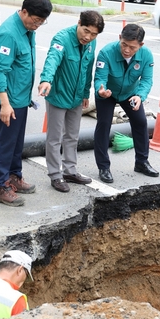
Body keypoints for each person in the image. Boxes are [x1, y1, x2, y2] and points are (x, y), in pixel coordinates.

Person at [0, 0, 53, 206]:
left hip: (20, 99)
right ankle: (0, 187)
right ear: (24, 11)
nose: (37, 26)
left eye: (41, 23)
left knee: (17, 144)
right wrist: (5, 104)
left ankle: (14, 176)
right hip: (7, 101)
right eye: (36, 21)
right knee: (6, 145)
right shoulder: (8, 33)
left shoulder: (27, 30)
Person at [38, 11, 105, 192]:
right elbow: (52, 60)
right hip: (59, 95)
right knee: (54, 138)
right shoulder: (62, 39)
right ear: (78, 23)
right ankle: (55, 175)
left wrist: (85, 93)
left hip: (76, 97)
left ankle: (70, 170)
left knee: (72, 136)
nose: (88, 37)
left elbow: (88, 68)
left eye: (93, 34)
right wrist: (46, 79)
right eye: (86, 31)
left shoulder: (91, 43)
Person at [93, 23, 158, 183]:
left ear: (140, 45)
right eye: (124, 44)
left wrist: (140, 96)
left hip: (130, 94)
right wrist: (100, 90)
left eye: (132, 47)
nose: (127, 50)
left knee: (141, 122)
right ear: (119, 38)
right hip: (108, 93)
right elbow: (100, 77)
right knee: (104, 124)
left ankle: (142, 162)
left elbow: (147, 80)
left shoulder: (146, 55)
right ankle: (103, 167)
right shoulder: (106, 52)